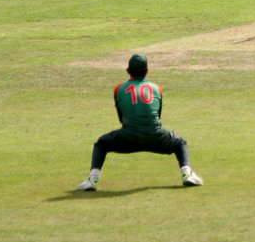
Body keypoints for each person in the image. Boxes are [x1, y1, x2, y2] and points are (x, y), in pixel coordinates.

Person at [77, 53, 203, 191]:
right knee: (180, 143)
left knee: (101, 144)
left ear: (128, 70)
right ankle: (186, 174)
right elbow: (157, 116)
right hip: (156, 136)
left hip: (128, 136)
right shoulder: (157, 89)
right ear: (147, 71)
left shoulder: (118, 89)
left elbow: (121, 118)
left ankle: (93, 179)